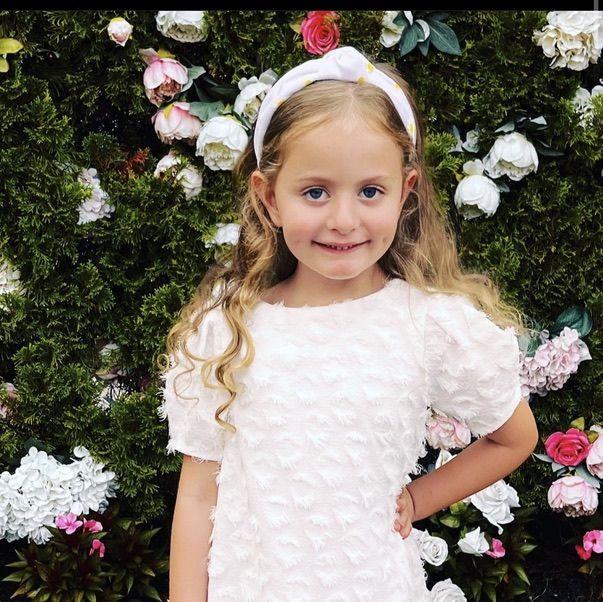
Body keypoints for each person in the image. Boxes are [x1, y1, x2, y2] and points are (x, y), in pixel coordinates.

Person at [158, 45, 539, 602]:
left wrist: (419, 499)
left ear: (405, 192)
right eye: (315, 192)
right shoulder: (230, 328)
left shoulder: (426, 323)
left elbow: (514, 436)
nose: (343, 219)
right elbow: (197, 495)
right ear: (269, 197)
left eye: (370, 191)